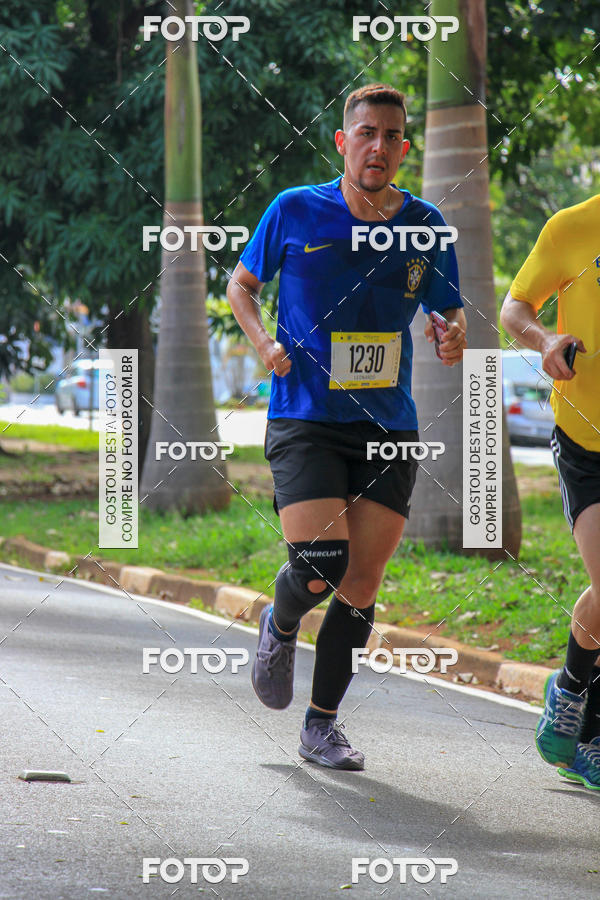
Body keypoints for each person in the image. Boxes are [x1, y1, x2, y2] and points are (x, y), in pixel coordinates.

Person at [226, 83, 467, 770]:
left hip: (388, 426)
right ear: (342, 141)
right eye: (366, 133)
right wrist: (261, 344)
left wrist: (451, 337)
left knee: (362, 583)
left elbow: (451, 313)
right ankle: (278, 623)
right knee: (320, 565)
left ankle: (320, 726)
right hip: (304, 416)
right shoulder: (295, 209)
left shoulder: (425, 225)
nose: (379, 146)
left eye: (392, 136)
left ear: (404, 147)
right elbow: (241, 286)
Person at [500, 193, 600, 789]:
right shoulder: (572, 227)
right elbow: (516, 306)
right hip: (586, 441)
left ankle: (584, 729)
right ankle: (568, 690)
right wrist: (544, 341)